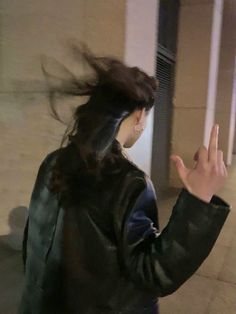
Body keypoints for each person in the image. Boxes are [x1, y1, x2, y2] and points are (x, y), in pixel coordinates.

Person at [18, 44, 230, 314]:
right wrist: (199, 200)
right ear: (140, 114)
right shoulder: (128, 182)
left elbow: (33, 244)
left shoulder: (53, 161)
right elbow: (154, 273)